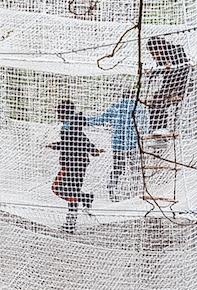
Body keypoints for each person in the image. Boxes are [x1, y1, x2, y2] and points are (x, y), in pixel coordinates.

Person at [48, 99, 100, 232]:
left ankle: (74, 215)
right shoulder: (72, 125)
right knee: (73, 190)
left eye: (59, 114)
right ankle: (71, 222)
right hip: (79, 163)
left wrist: (54, 146)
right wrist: (92, 149)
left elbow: (74, 142)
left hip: (72, 163)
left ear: (64, 113)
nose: (58, 117)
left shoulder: (71, 126)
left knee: (57, 188)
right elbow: (81, 139)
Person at [86, 89, 147, 198]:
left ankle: (112, 187)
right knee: (135, 169)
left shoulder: (116, 108)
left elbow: (101, 120)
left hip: (118, 145)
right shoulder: (139, 108)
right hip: (133, 144)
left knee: (118, 168)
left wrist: (84, 120)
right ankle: (136, 192)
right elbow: (145, 126)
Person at [145, 36, 190, 136]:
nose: (154, 57)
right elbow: (161, 69)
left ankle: (162, 129)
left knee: (160, 99)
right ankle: (158, 130)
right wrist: (151, 73)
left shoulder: (176, 51)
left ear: (160, 48)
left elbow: (185, 67)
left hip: (181, 84)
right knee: (154, 102)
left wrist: (172, 66)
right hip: (168, 85)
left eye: (155, 53)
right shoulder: (161, 57)